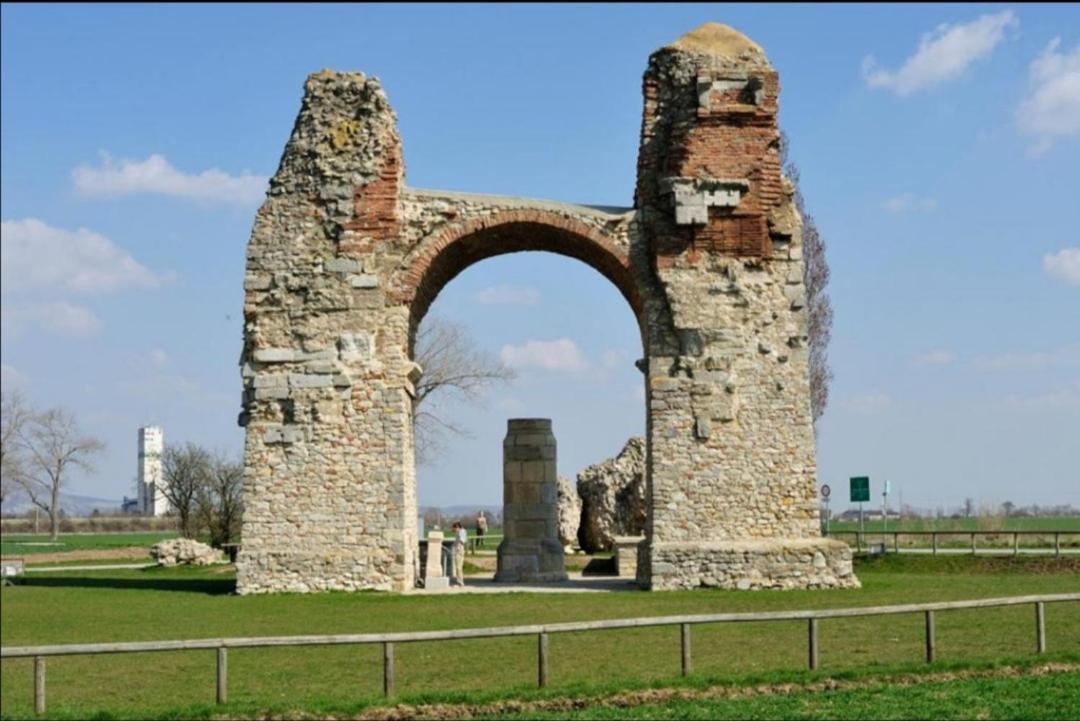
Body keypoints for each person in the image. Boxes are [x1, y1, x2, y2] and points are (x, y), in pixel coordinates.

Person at [451, 522, 467, 587]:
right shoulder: (459, 532)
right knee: (458, 567)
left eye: (455, 528)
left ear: (457, 527)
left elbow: (461, 541)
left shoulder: (462, 532)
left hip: (459, 550)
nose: (454, 530)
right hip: (457, 550)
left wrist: (457, 547)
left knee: (458, 567)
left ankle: (460, 582)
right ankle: (459, 581)